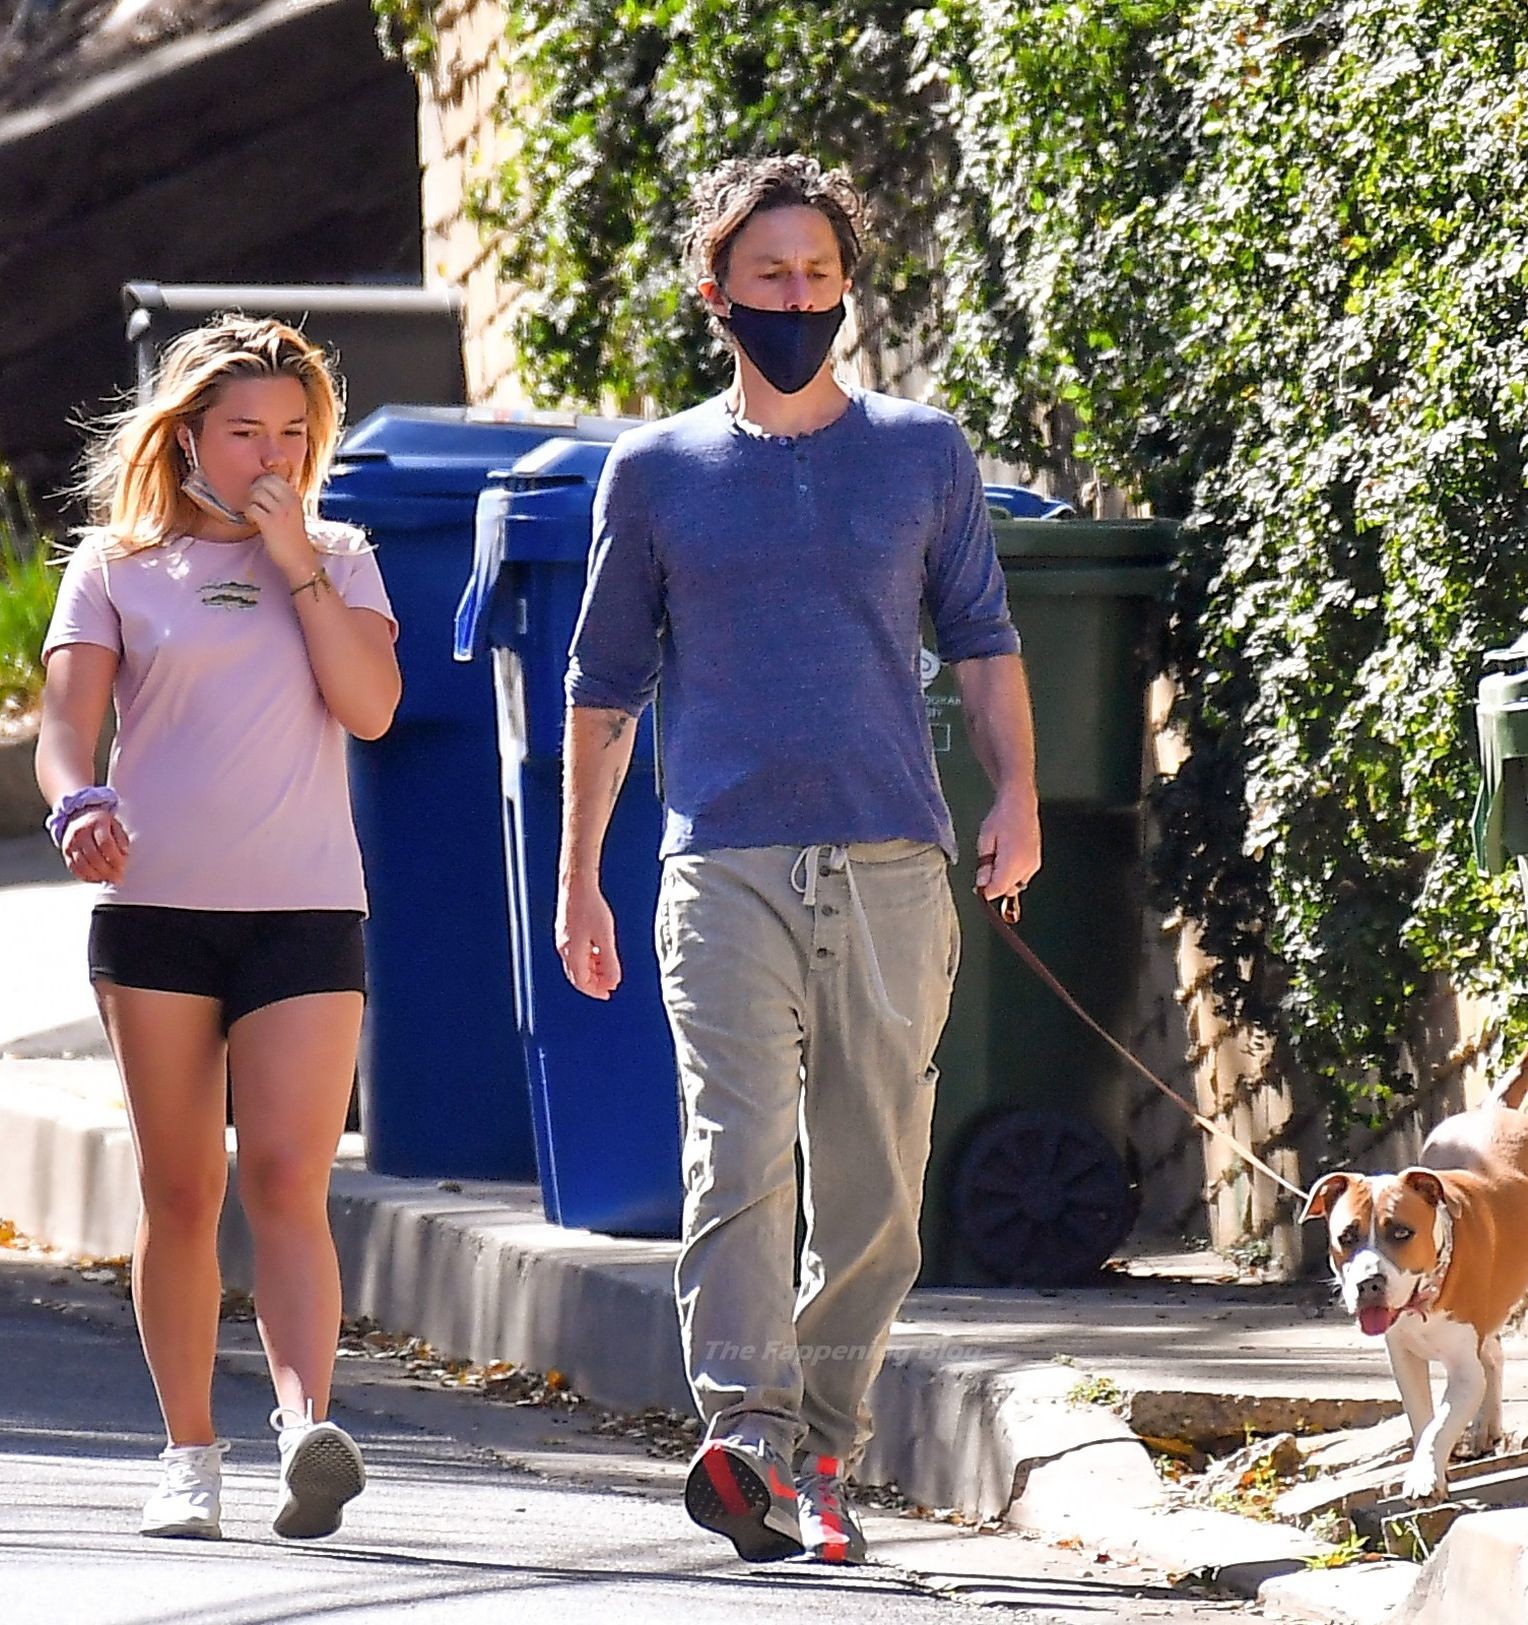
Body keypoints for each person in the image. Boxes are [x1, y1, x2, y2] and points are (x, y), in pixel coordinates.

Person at [558, 155, 1041, 1565]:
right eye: (770, 275)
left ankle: (827, 1444)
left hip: (892, 860)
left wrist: (1018, 795)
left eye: (820, 275)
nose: (798, 297)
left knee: (877, 1190)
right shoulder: (655, 472)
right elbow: (602, 685)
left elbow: (983, 638)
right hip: (722, 866)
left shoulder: (921, 452)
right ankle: (750, 1435)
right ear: (715, 292)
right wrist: (581, 878)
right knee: (738, 1157)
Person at [36, 315, 401, 1541]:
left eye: (293, 432)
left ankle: (306, 1429)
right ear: (186, 434)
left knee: (291, 1177)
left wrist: (295, 561)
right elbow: (64, 731)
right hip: (157, 914)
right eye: (245, 431)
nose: (272, 456)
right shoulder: (116, 563)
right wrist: (79, 803)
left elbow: (371, 706)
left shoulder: (340, 556)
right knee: (183, 1188)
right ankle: (187, 1454)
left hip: (305, 907)